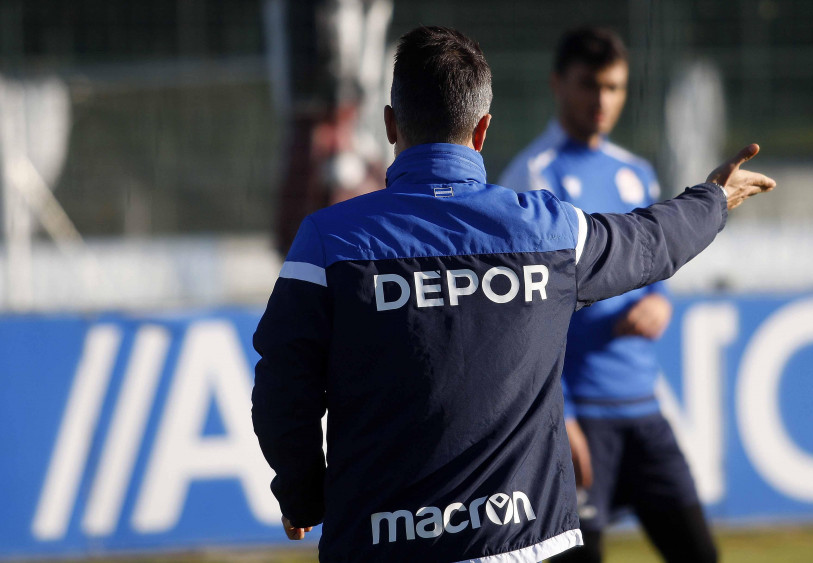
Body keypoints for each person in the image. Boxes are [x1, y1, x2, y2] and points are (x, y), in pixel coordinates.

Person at [251, 25, 773, 563]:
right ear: (482, 131)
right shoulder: (547, 231)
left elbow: (281, 387)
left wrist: (302, 492)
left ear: (390, 123)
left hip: (379, 545)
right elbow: (653, 242)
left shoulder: (327, 241)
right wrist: (713, 199)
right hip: (531, 543)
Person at [500, 27, 719, 563]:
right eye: (590, 85)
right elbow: (516, 318)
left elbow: (653, 269)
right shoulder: (530, 177)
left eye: (615, 88)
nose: (603, 100)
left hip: (644, 408)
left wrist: (661, 303)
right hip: (578, 417)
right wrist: (561, 415)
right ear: (558, 84)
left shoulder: (635, 172)